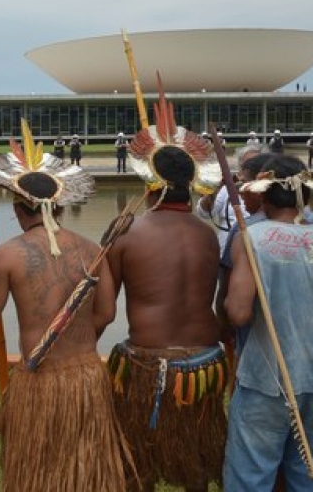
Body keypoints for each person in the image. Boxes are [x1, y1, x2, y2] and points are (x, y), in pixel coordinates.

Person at [0, 120, 134, 491]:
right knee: (84, 472)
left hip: (40, 381)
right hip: (86, 377)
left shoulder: (7, 255)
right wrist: (81, 340)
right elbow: (108, 312)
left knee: (39, 474)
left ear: (18, 208)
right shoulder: (93, 250)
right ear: (60, 206)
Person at [107, 99, 227, 492]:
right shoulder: (209, 235)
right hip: (204, 364)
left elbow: (104, 310)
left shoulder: (127, 233)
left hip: (146, 364)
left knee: (137, 467)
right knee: (195, 467)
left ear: (150, 181)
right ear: (191, 183)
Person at [223, 155, 313, 490]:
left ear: (266, 197)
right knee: (309, 480)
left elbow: (238, 314)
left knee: (250, 479)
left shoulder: (251, 237)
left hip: (264, 383)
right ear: (308, 197)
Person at [198, 145, 260, 253]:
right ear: (240, 168)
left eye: (256, 165)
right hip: (226, 251)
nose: (252, 169)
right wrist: (213, 191)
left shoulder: (270, 191)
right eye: (247, 165)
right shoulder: (227, 188)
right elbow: (205, 214)